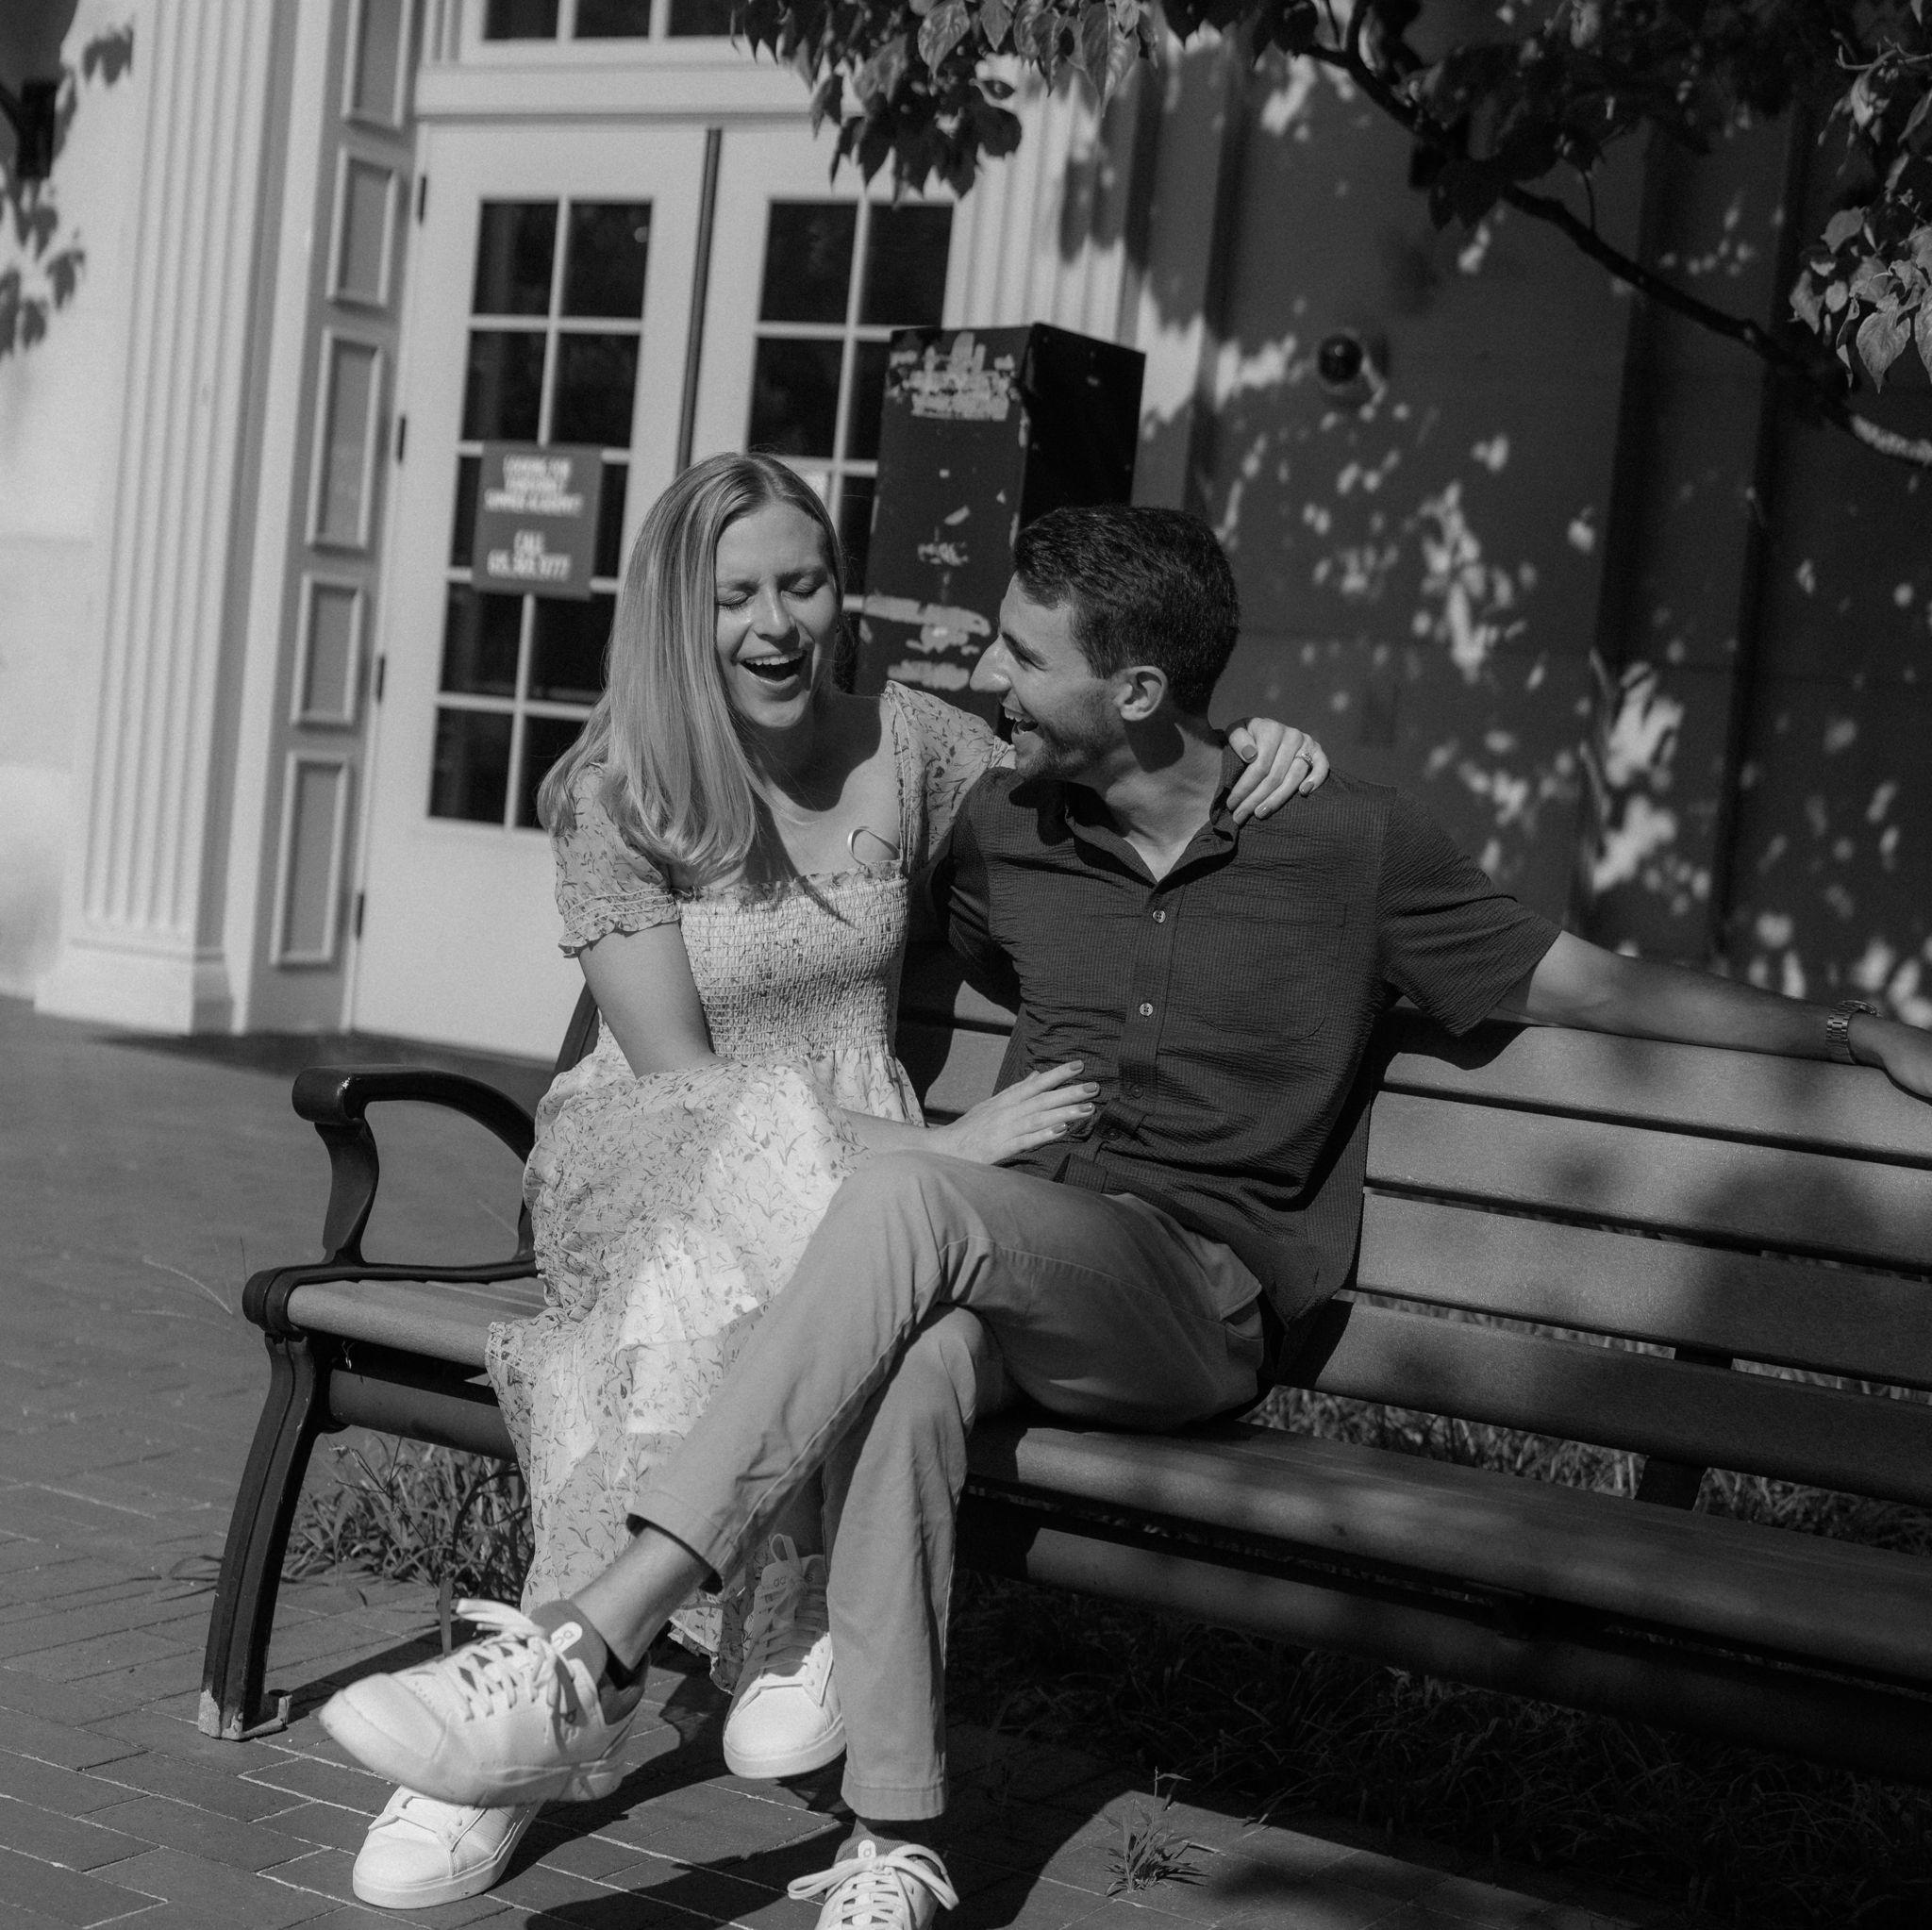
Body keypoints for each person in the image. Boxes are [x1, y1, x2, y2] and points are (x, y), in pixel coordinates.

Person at [323, 503, 1932, 1930]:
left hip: (1196, 1295)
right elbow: (835, 902)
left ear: (1141, 690)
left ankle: (589, 1648)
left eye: (1024, 657)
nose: (986, 678)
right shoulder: (1012, 830)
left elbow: (1585, 982)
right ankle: (893, 1837)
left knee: (914, 1195)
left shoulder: (1352, 846)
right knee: (920, 1361)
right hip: (1023, 1264)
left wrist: (1846, 1027)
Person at [340, 458, 1328, 1913]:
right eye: (735, 594)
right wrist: (941, 1152)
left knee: (805, 1265)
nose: (777, 622)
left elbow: (1107, 761)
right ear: (677, 613)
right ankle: (734, 1637)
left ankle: (550, 1692)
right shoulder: (616, 791)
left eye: (803, 583)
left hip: (857, 1179)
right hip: (658, 1154)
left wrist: (1244, 744)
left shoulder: (914, 743)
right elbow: (689, 1089)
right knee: (697, 1269)